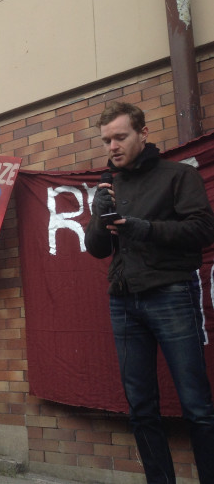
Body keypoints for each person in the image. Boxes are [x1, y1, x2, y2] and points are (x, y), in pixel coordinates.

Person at [85, 102, 214, 483]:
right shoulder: (110, 185)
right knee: (140, 408)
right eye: (106, 140)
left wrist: (145, 228)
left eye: (120, 137)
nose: (112, 146)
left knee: (197, 406)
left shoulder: (178, 176)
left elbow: (204, 230)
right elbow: (97, 249)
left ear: (143, 133)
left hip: (171, 293)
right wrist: (98, 214)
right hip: (123, 300)